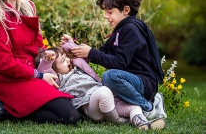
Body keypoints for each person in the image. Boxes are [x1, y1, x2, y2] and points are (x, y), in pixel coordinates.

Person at [60, 0, 167, 120]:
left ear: (126, 10)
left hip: (143, 82)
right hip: (130, 82)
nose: (105, 16)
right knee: (109, 79)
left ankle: (148, 107)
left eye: (110, 12)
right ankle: (153, 102)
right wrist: (72, 47)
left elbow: (119, 63)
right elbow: (101, 54)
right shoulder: (120, 30)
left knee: (110, 77)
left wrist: (91, 52)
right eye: (105, 12)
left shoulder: (131, 30)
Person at [34, 41, 166, 130]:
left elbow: (80, 55)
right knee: (104, 92)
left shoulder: (77, 66)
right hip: (90, 106)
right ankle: (118, 121)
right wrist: (47, 60)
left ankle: (141, 122)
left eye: (65, 57)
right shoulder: (57, 78)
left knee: (132, 106)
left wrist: (69, 44)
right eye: (63, 61)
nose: (68, 60)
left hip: (107, 99)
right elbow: (43, 71)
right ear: (54, 69)